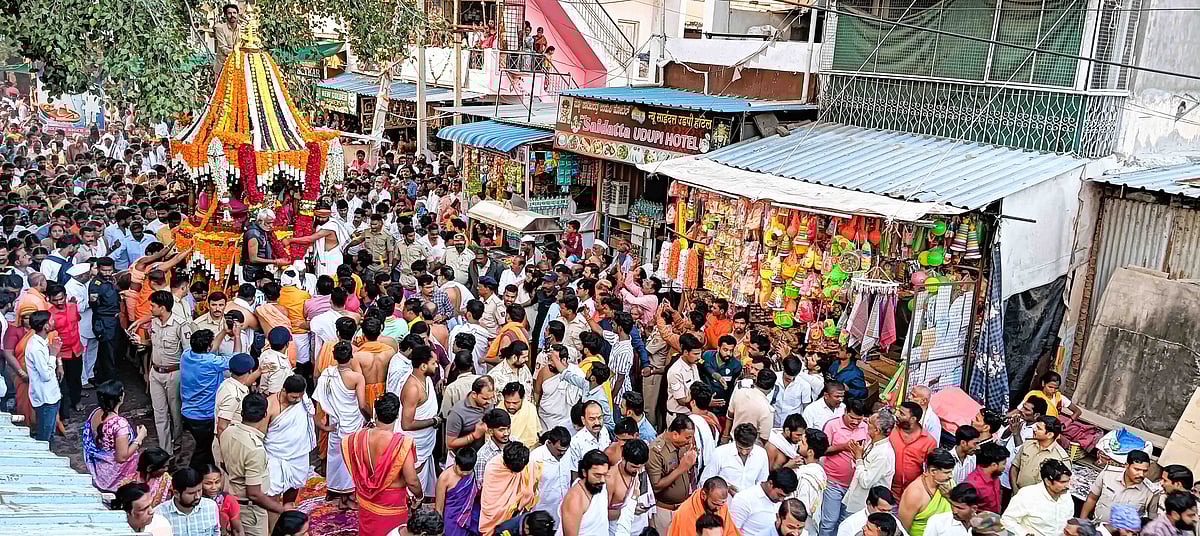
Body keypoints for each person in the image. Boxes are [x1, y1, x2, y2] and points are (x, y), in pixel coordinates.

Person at [344, 392, 423, 536]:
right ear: (397, 415)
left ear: (375, 414)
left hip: (366, 499)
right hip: (392, 503)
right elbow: (412, 481)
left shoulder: (355, 439)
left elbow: (355, 467)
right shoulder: (402, 444)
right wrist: (419, 497)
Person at [221, 393, 290, 536]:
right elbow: (254, 494)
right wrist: (280, 509)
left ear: (241, 413)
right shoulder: (255, 449)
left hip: (232, 500)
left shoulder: (228, 432)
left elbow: (223, 465)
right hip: (249, 510)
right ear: (265, 414)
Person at [313, 341, 370, 509]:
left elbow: (319, 401)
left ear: (334, 357)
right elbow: (361, 405)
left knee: (336, 457)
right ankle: (345, 498)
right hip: (351, 423)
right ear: (351, 357)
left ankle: (334, 490)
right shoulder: (356, 377)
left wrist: (324, 426)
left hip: (335, 424)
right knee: (349, 460)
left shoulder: (327, 374)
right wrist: (370, 418)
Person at [180, 328, 241, 470]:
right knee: (203, 449)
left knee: (203, 447)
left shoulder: (186, 355)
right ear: (208, 347)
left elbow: (210, 349)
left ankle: (207, 472)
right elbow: (237, 359)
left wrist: (224, 331)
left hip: (188, 412)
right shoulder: (212, 362)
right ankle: (192, 475)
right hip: (204, 416)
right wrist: (237, 336)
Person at [144, 289, 194, 454]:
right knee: (159, 413)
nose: (150, 308)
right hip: (156, 372)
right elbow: (153, 345)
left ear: (162, 308)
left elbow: (188, 354)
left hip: (174, 374)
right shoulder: (155, 322)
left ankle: (177, 443)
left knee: (175, 412)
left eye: (153, 306)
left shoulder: (181, 325)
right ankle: (165, 450)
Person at [264, 375, 316, 513]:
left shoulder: (302, 399)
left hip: (299, 452)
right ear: (283, 391)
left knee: (296, 483)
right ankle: (274, 517)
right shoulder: (270, 405)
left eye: (300, 396)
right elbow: (261, 433)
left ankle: (288, 507)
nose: (298, 400)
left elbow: (311, 415)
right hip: (275, 455)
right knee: (272, 490)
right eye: (293, 397)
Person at [820, 399, 871, 536]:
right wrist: (843, 446)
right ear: (845, 411)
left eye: (859, 419)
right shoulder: (832, 425)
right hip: (833, 482)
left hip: (854, 485)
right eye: (852, 418)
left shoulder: (866, 427)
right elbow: (822, 450)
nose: (855, 422)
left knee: (846, 522)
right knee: (829, 522)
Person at [83, 379, 147, 491]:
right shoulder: (119, 424)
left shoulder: (95, 413)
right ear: (120, 397)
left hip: (100, 471)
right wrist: (140, 437)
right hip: (116, 477)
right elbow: (121, 457)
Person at [399, 344, 443, 498]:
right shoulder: (413, 389)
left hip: (425, 441)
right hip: (415, 441)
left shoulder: (426, 380)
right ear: (423, 366)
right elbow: (406, 424)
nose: (437, 366)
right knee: (413, 473)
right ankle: (412, 504)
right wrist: (433, 421)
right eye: (434, 363)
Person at [480, 442, 543, 535]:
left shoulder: (529, 464)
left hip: (516, 514)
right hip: (495, 517)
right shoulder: (493, 468)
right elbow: (490, 504)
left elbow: (531, 490)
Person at [1001, 459, 1075, 536]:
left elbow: (1069, 519)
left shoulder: (1066, 495)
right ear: (1048, 482)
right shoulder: (1027, 495)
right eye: (1062, 482)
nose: (1068, 486)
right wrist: (1024, 534)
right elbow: (1007, 520)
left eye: (1068, 481)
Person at [844, 409, 898, 514]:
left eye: (869, 422)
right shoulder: (872, 442)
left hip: (867, 507)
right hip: (856, 500)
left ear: (877, 430)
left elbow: (866, 482)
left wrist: (859, 457)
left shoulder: (883, 454)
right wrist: (857, 454)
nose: (865, 422)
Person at [1081, 449, 1156, 521]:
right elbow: (1092, 498)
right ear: (1127, 465)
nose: (1141, 474)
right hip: (1097, 526)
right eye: (1137, 469)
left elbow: (1151, 520)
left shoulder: (1151, 492)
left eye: (1145, 471)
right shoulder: (1108, 474)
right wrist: (1082, 521)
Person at [898, 449, 957, 536]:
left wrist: (949, 496)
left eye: (951, 471)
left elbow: (960, 511)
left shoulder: (949, 484)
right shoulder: (914, 493)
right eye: (947, 472)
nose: (951, 476)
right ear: (933, 471)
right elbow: (903, 529)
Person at [701, 423, 769, 495]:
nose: (743, 452)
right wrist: (725, 489)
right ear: (735, 441)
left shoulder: (762, 454)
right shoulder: (720, 453)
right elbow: (705, 480)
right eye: (740, 448)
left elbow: (762, 482)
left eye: (748, 449)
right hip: (723, 503)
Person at [730, 469, 801, 536]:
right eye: (779, 495)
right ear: (770, 484)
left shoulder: (786, 502)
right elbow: (732, 531)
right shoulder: (744, 499)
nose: (781, 499)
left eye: (785, 497)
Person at [25, 309, 60, 447]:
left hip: (51, 395)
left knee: (50, 433)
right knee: (44, 437)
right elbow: (45, 375)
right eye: (51, 320)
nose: (53, 322)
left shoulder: (42, 342)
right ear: (45, 326)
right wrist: (53, 355)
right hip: (45, 397)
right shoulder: (35, 348)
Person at [891, 401, 939, 498]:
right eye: (898, 411)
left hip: (912, 494)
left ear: (913, 419)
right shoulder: (890, 431)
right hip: (888, 490)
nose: (897, 415)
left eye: (902, 413)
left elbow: (930, 470)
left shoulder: (929, 442)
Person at [155, 467, 221, 536]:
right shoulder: (159, 514)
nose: (197, 496)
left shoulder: (210, 506)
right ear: (176, 494)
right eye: (191, 493)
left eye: (199, 490)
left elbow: (216, 532)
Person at [1010, 416, 1068, 493]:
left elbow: (1060, 487)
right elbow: (1015, 468)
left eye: (1039, 428)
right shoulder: (1027, 444)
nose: (1034, 429)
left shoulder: (1060, 458)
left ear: (1050, 435)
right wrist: (1014, 489)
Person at [561, 448, 611, 536]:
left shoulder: (599, 484)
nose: (602, 480)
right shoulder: (574, 499)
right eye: (597, 475)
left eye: (605, 474)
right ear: (584, 472)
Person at [667, 476, 739, 536]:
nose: (718, 508)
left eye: (722, 504)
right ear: (703, 495)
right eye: (715, 504)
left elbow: (730, 531)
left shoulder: (721, 505)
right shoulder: (686, 512)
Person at [607, 438, 650, 536]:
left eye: (641, 466)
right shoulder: (610, 479)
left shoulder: (640, 469)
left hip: (641, 528)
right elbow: (603, 514)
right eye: (634, 467)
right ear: (623, 458)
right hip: (619, 531)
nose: (638, 470)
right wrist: (631, 509)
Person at [446, 375, 495, 455]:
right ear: (474, 394)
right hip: (465, 459)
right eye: (485, 399)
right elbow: (450, 444)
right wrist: (474, 436)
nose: (489, 402)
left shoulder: (489, 403)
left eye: (491, 398)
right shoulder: (457, 413)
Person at [436, 447, 480, 536]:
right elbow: (439, 508)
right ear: (455, 462)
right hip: (451, 517)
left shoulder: (473, 472)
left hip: (469, 513)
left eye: (468, 472)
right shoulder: (444, 478)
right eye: (461, 471)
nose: (464, 474)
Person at [726, 369, 776, 445]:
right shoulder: (767, 410)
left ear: (755, 381)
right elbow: (764, 438)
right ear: (772, 388)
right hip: (752, 448)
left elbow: (730, 416)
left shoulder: (739, 393)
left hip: (733, 442)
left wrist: (725, 436)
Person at [965, 442, 1008, 514]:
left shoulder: (995, 477)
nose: (1004, 467)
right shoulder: (972, 484)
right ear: (994, 465)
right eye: (1003, 464)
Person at [201, 465, 244, 536]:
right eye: (208, 483)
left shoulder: (229, 500)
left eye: (217, 482)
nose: (214, 487)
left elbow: (238, 530)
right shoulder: (196, 502)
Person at [502, 382, 541, 448]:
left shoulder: (530, 409)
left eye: (515, 403)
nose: (511, 406)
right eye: (508, 402)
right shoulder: (498, 410)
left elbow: (535, 436)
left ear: (522, 399)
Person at [213, 3, 241, 71]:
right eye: (229, 13)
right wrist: (239, 54)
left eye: (234, 13)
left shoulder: (240, 28)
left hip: (236, 65)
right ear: (225, 15)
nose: (232, 15)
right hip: (222, 66)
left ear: (237, 15)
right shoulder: (220, 28)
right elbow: (223, 48)